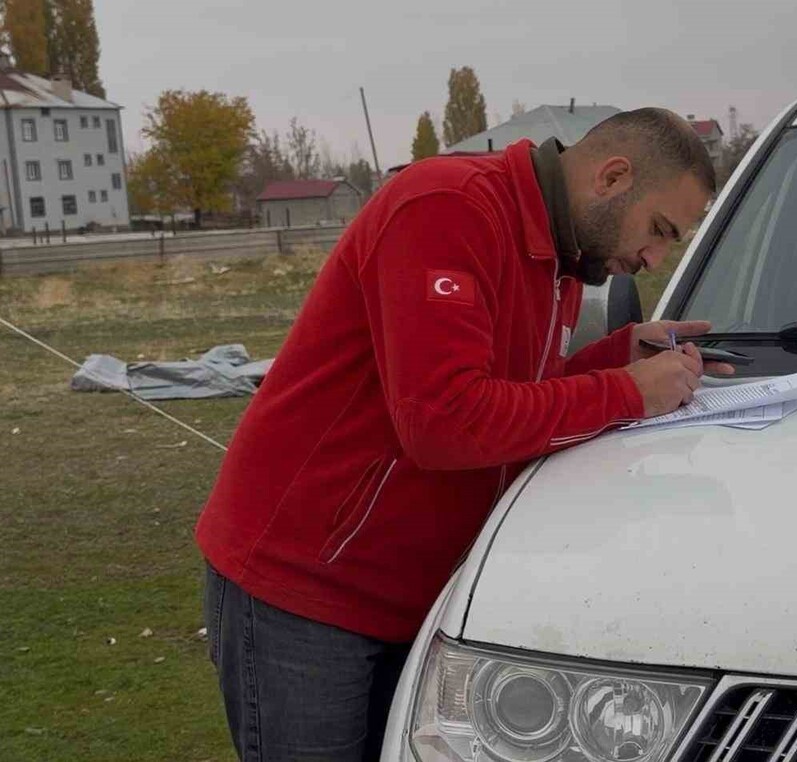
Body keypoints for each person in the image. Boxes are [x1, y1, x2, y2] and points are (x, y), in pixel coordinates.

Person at [194, 107, 727, 761]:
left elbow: (510, 388)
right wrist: (625, 393)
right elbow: (443, 421)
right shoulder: (446, 208)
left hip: (410, 588)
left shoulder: (561, 254)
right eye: (659, 231)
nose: (653, 259)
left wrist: (613, 358)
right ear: (612, 177)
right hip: (306, 588)